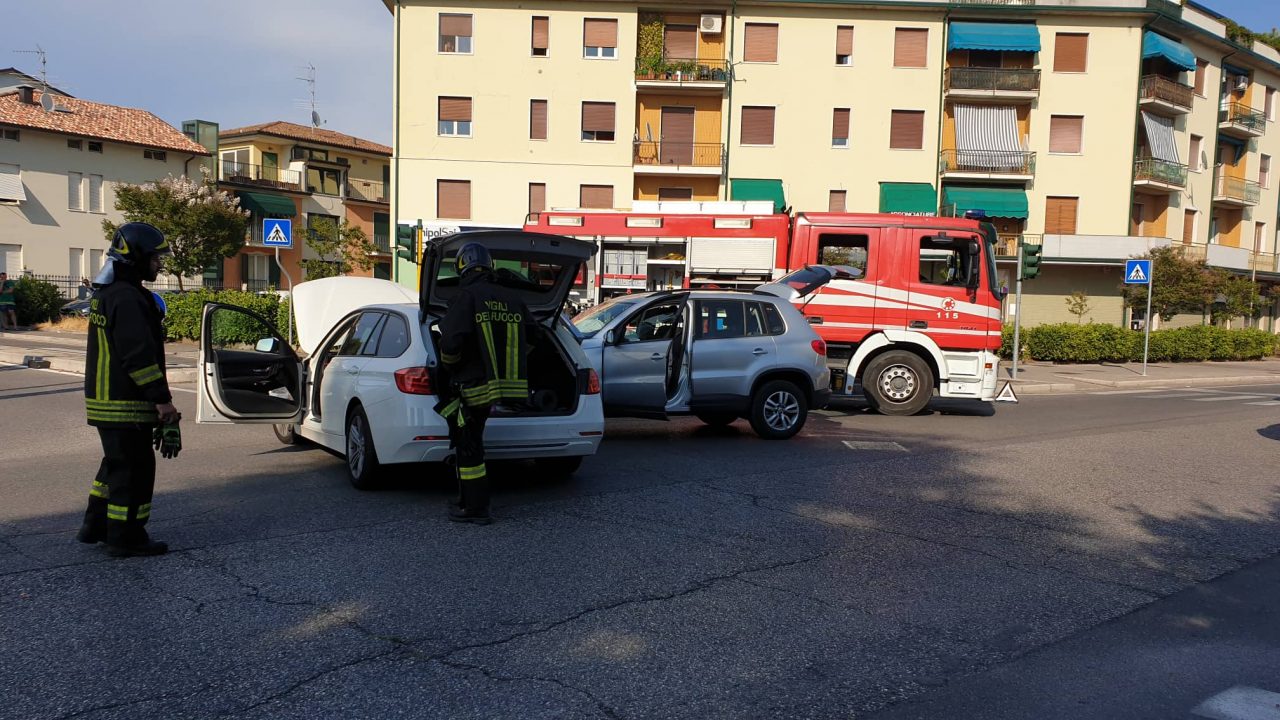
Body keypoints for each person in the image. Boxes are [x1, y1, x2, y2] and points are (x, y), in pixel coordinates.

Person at [77, 222, 182, 557]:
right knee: (134, 471)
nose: (159, 264)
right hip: (124, 402)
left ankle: (95, 525)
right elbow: (139, 356)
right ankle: (126, 537)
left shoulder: (110, 294)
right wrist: (162, 401)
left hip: (108, 400)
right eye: (155, 258)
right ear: (136, 256)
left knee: (115, 466)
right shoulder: (129, 298)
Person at [435, 242, 535, 525]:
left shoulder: (465, 297)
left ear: (462, 266)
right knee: (472, 440)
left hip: (474, 385)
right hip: (508, 385)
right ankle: (467, 499)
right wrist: (513, 363)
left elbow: (451, 343)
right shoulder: (513, 298)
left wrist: (450, 366)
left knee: (468, 445)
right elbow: (535, 336)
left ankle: (476, 508)